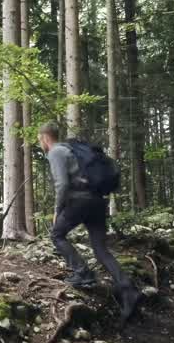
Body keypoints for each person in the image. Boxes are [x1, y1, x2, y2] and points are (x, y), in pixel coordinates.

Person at [38, 122, 141, 323]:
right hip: (97, 201)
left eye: (39, 139)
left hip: (80, 201)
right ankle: (128, 290)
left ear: (45, 137)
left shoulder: (56, 152)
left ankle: (83, 273)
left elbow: (62, 184)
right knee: (100, 248)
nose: (40, 142)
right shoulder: (71, 149)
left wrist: (57, 211)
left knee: (57, 235)